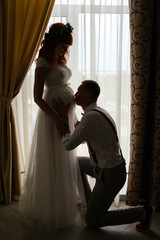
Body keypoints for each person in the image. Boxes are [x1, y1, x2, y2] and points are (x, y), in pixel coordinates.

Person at [55, 80, 155, 233]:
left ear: (88, 96)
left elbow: (68, 145)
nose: (75, 94)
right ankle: (90, 202)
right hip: (105, 166)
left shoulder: (90, 118)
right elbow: (84, 140)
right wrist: (75, 127)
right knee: (75, 163)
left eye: (79, 91)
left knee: (92, 221)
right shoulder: (98, 112)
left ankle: (142, 212)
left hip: (111, 174)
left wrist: (63, 123)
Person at [19, 22, 86, 231]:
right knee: (53, 159)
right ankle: (51, 208)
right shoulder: (42, 63)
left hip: (66, 113)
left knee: (65, 158)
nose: (66, 49)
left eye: (67, 46)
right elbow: (37, 97)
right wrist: (57, 118)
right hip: (51, 117)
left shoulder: (60, 59)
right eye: (63, 44)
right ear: (55, 41)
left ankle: (64, 203)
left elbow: (65, 86)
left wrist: (71, 110)